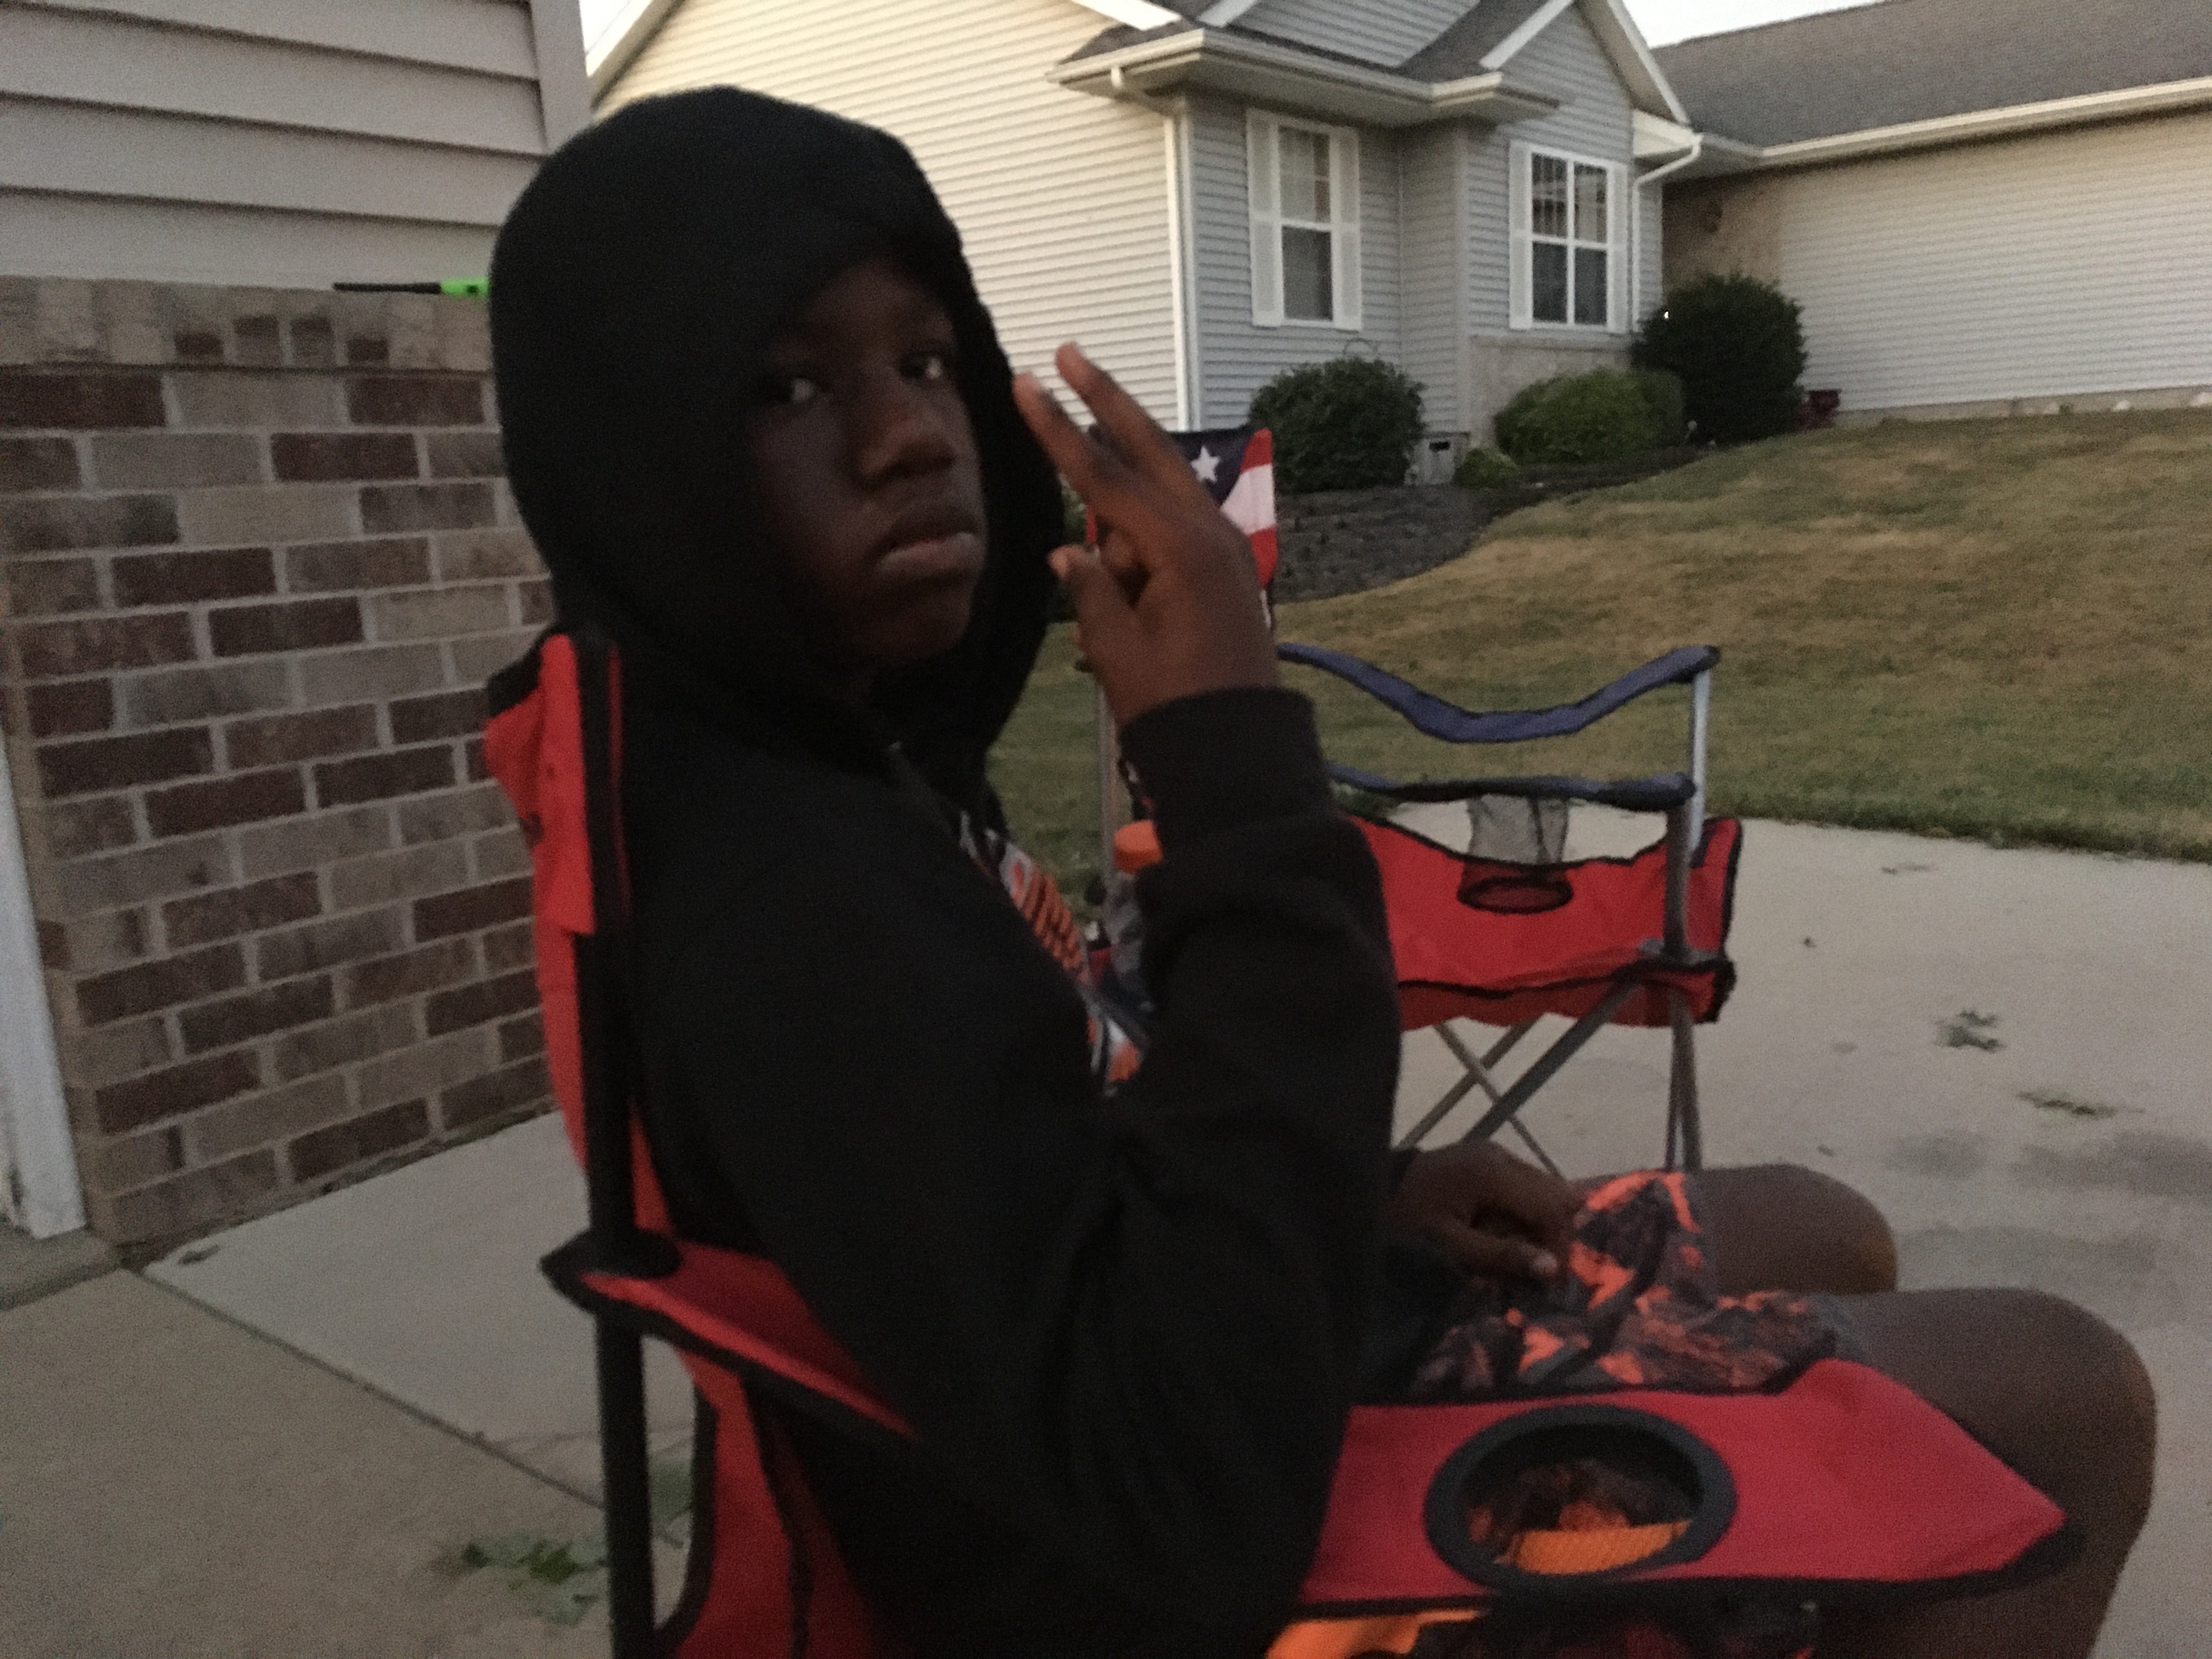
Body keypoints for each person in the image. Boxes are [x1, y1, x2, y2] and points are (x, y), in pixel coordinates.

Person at [488, 88, 2153, 1659]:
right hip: (1224, 1515)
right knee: (2065, 1396)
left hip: (1208, 1329)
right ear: (639, 458)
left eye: (926, 360)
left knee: (1829, 1226)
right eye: (787, 389)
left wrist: (1368, 1201)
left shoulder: (831, 771)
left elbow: (1025, 1182)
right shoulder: (794, 905)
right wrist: (1233, 767)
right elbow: (1176, 1488)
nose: (907, 435)